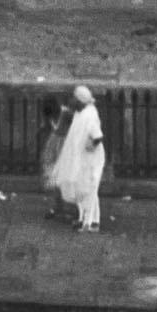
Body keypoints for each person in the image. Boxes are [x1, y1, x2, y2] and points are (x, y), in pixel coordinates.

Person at [49, 82, 107, 232]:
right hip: (82, 158)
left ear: (80, 100)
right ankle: (87, 220)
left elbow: (98, 136)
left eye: (74, 99)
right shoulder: (80, 112)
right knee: (83, 188)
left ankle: (89, 222)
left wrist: (91, 146)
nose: (71, 101)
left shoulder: (90, 115)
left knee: (89, 189)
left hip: (91, 159)